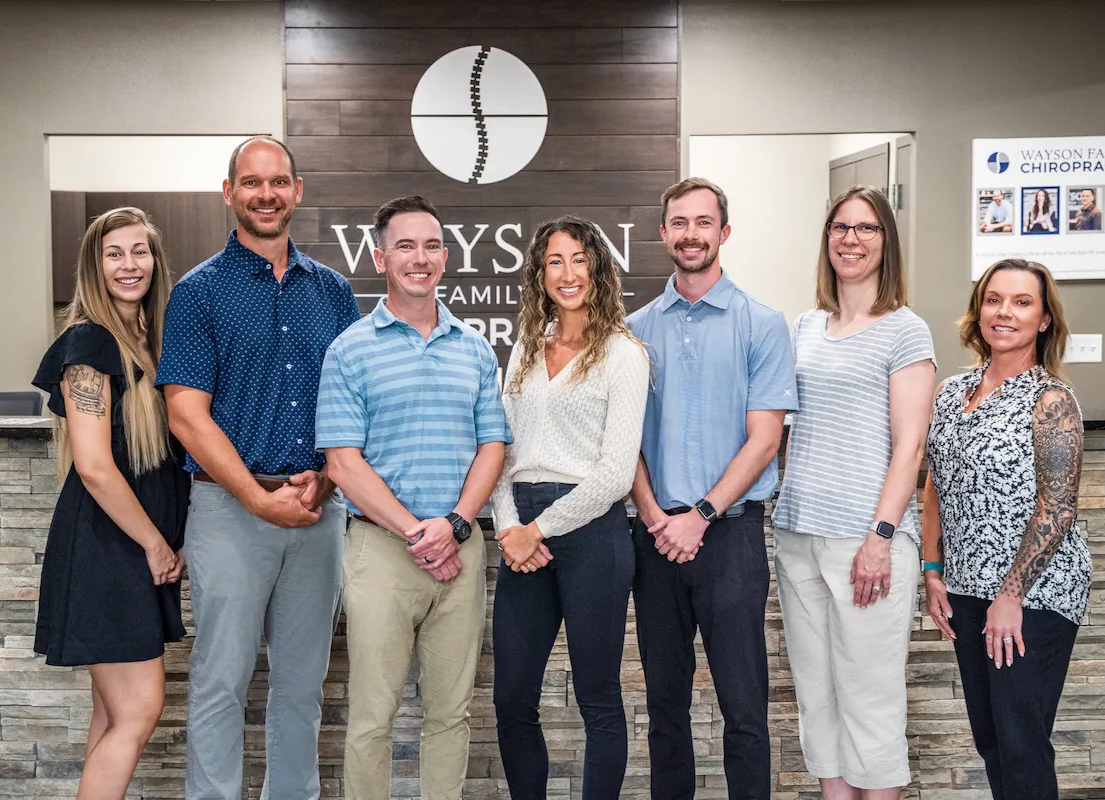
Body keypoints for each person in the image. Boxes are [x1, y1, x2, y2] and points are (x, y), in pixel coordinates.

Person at [156, 136, 360, 799]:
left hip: (316, 511)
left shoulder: (332, 291)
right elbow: (186, 413)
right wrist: (255, 497)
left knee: (302, 688)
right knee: (220, 683)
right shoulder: (198, 293)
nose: (265, 194)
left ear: (297, 191)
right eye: (251, 182)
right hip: (225, 510)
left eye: (278, 182)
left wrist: (327, 479)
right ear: (229, 193)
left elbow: (353, 407)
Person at [316, 195, 511, 800]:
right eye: (405, 246)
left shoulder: (474, 349)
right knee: (374, 716)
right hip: (382, 554)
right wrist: (418, 534)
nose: (419, 258)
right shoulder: (350, 349)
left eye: (430, 246)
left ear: (446, 258)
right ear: (380, 257)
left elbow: (493, 447)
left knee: (450, 715)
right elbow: (343, 464)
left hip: (461, 548)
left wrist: (453, 525)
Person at [627, 177, 798, 800]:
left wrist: (700, 513)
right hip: (653, 541)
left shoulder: (762, 324)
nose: (690, 234)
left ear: (723, 233)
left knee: (745, 713)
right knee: (665, 712)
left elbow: (764, 440)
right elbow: (626, 442)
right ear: (663, 232)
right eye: (679, 222)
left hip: (730, 539)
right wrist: (653, 515)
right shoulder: (633, 330)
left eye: (703, 222)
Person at [772, 186, 935, 799]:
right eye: (841, 227)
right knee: (818, 697)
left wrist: (881, 537)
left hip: (866, 540)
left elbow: (910, 447)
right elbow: (790, 428)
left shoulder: (906, 330)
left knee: (870, 701)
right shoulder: (805, 326)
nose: (851, 239)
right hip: (798, 536)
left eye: (866, 228)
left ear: (885, 241)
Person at [489, 216, 649, 800]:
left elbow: (614, 473)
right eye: (554, 261)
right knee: (510, 698)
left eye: (579, 259)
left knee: (598, 697)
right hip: (520, 529)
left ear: (598, 268)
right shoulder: (526, 349)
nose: (567, 273)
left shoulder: (623, 353)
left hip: (590, 533)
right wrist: (510, 527)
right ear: (540, 274)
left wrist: (539, 529)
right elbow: (500, 453)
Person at [32, 207, 187, 796]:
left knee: (110, 715)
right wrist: (154, 543)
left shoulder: (153, 341)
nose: (129, 265)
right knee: (139, 711)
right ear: (94, 267)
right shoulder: (89, 342)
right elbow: (95, 466)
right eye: (113, 254)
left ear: (155, 259)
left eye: (139, 252)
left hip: (134, 549)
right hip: (108, 548)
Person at [923, 258, 1090, 800]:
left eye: (1022, 302)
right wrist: (931, 568)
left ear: (1044, 320)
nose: (1005, 312)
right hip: (967, 586)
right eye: (994, 299)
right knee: (992, 739)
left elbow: (1058, 507)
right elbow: (935, 486)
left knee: (1021, 741)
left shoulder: (1051, 401)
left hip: (1033, 594)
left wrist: (1010, 595)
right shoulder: (951, 391)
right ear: (979, 310)